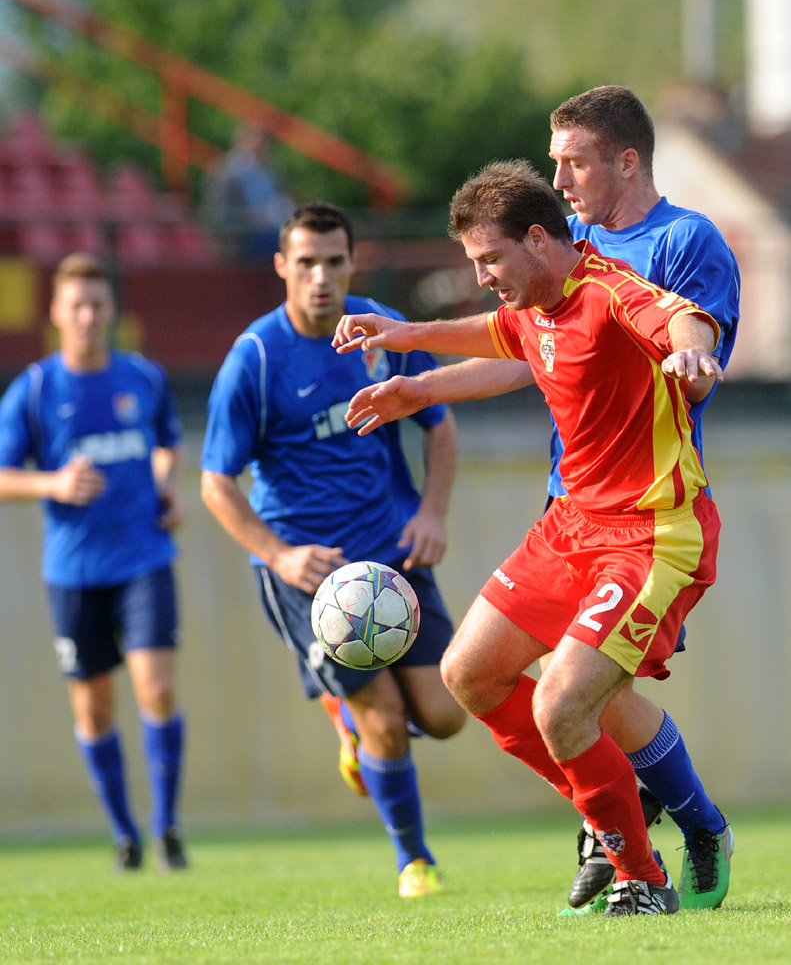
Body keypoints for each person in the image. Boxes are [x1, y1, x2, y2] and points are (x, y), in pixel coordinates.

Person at [342, 86, 738, 914]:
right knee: (472, 674)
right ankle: (616, 809)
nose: (560, 179)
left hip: (649, 529)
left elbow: (677, 317)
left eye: (488, 262)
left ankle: (644, 866)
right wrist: (410, 361)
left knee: (568, 699)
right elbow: (509, 342)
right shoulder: (548, 277)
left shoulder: (636, 266)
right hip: (570, 518)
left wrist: (693, 353)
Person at [200, 202, 465, 898]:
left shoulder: (382, 330)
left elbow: (438, 424)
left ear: (352, 263)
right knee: (386, 719)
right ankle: (414, 861)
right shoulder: (255, 359)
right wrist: (279, 556)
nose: (320, 276)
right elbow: (215, 483)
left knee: (444, 715)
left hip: (391, 553)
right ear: (282, 266)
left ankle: (348, 723)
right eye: (306, 262)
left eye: (333, 261)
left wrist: (432, 511)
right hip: (308, 571)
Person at [0, 252, 188, 872]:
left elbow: (166, 445)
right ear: (56, 313)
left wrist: (165, 486)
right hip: (75, 572)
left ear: (111, 311)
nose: (87, 316)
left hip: (144, 558)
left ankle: (166, 828)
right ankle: (123, 833)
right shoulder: (34, 390)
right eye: (75, 305)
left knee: (157, 688)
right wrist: (52, 483)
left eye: (96, 304)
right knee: (94, 706)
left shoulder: (144, 378)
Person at [204, 125, 295, 259]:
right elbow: (218, 217)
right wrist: (254, 219)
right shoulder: (226, 173)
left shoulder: (268, 171)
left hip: (272, 230)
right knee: (292, 244)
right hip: (242, 238)